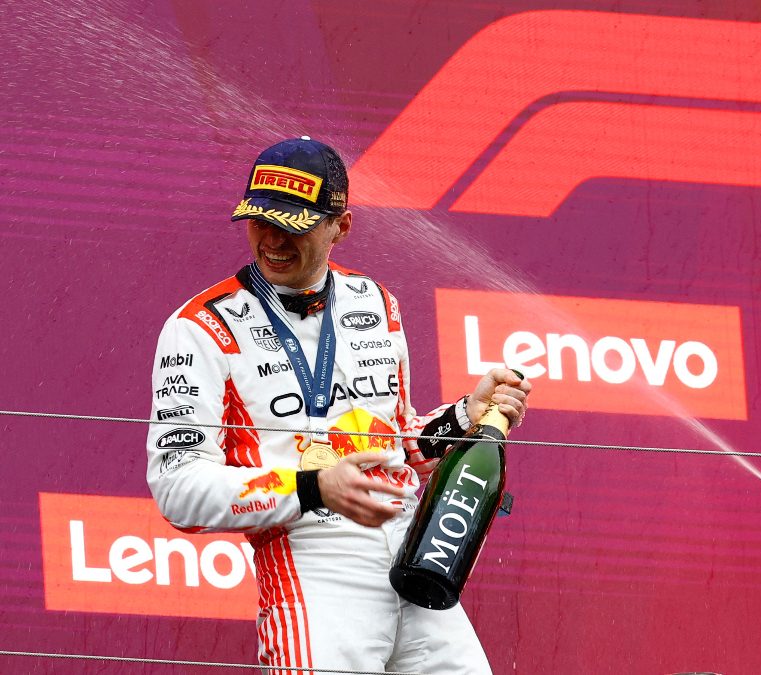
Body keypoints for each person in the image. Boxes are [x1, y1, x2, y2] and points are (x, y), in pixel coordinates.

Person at [146, 137, 530, 674]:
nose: (273, 240)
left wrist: (465, 416)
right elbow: (177, 489)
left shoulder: (374, 301)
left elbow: (396, 445)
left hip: (414, 553)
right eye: (260, 221)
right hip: (314, 560)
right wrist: (315, 485)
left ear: (340, 226)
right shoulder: (200, 330)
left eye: (294, 226)